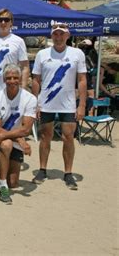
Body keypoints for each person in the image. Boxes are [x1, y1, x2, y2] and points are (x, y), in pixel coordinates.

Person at [31, 22, 87, 190]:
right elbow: (35, 80)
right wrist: (35, 103)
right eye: (55, 34)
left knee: (68, 137)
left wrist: (82, 105)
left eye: (62, 34)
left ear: (67, 36)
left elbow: (82, 80)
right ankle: (42, 169)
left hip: (68, 104)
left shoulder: (77, 53)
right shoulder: (42, 54)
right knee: (45, 137)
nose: (58, 37)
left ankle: (68, 173)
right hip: (46, 103)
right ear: (51, 36)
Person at [0, 64, 37, 204]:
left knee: (14, 183)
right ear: (4, 80)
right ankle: (2, 186)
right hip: (3, 140)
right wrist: (20, 140)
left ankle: (0, 167)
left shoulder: (30, 99)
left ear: (20, 78)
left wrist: (19, 139)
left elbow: (26, 130)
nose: (12, 81)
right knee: (6, 144)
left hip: (8, 137)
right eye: (8, 78)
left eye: (15, 78)